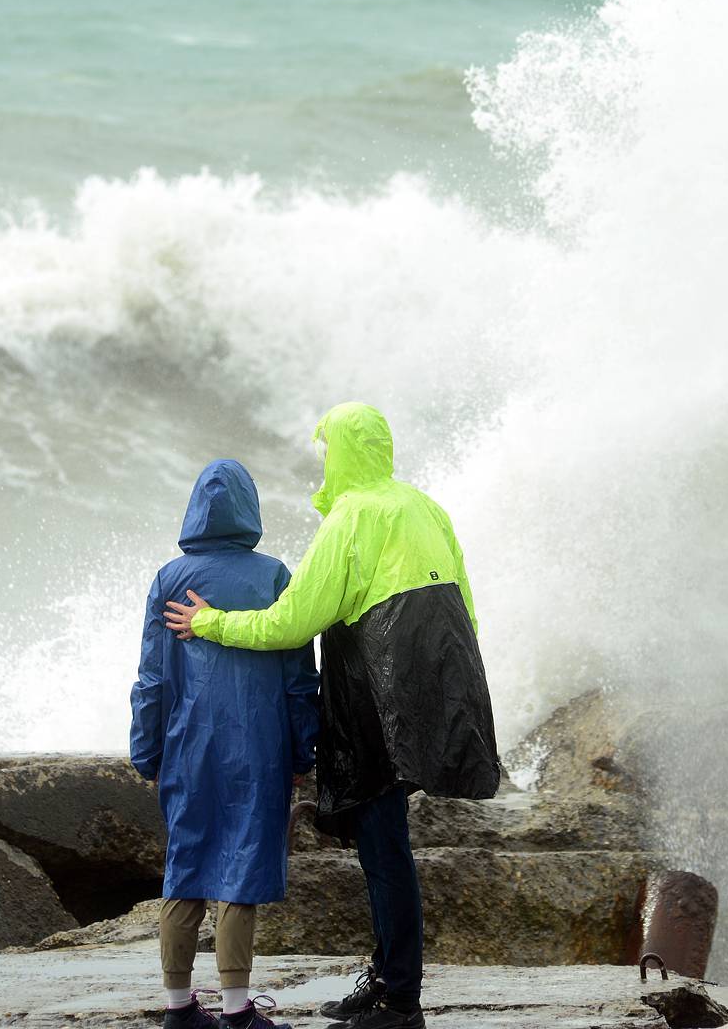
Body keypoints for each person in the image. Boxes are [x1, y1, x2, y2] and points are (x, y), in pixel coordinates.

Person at [164, 403, 500, 1029]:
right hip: (435, 689)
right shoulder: (427, 508)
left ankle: (401, 1000)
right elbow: (468, 612)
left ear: (341, 452)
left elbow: (291, 623)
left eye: (326, 451)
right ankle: (387, 977)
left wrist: (208, 622)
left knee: (385, 847)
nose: (323, 463)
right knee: (386, 843)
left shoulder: (352, 518)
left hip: (377, 695)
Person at [131, 459, 320, 1029]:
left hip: (187, 745)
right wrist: (302, 750)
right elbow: (297, 677)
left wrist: (147, 750)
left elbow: (152, 677)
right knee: (242, 867)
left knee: (185, 863)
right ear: (250, 509)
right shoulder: (273, 577)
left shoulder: (169, 578)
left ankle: (178, 1007)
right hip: (259, 748)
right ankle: (237, 1010)